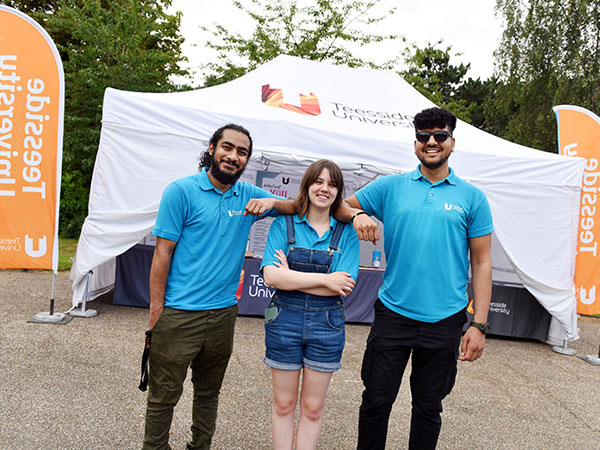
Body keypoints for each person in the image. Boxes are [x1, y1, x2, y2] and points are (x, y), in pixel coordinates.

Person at [346, 107, 494, 449]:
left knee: (428, 409)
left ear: (452, 142)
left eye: (439, 135)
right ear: (415, 143)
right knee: (375, 403)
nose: (431, 142)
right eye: (424, 136)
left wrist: (479, 325)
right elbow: (341, 206)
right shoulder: (390, 187)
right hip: (393, 313)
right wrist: (358, 215)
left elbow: (482, 262)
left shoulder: (472, 198)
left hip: (445, 319)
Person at [143, 124, 294, 450]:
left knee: (209, 393)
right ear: (212, 148)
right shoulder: (181, 192)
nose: (233, 156)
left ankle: (201, 446)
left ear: (247, 160)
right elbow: (161, 255)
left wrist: (272, 205)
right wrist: (157, 314)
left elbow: (297, 206)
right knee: (163, 395)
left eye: (242, 152)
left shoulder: (249, 196)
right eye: (228, 147)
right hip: (179, 314)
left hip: (224, 314)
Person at [261, 159, 360, 450]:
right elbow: (270, 276)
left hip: (326, 326)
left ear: (338, 192)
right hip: (282, 322)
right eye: (318, 181)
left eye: (331, 184)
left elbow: (342, 286)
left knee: (313, 408)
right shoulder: (284, 223)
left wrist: (289, 275)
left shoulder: (347, 232)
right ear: (307, 185)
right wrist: (325, 281)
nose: (324, 189)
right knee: (283, 404)